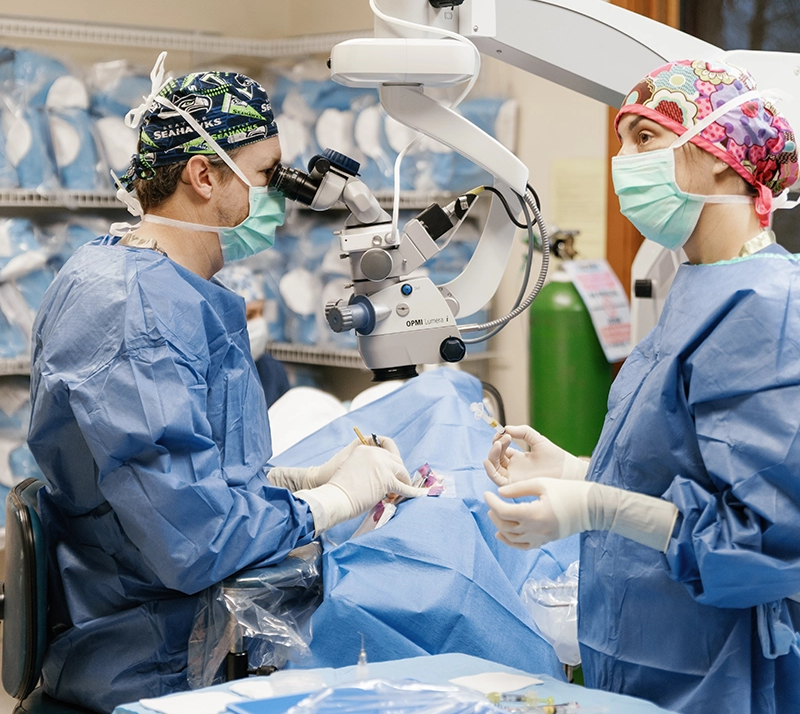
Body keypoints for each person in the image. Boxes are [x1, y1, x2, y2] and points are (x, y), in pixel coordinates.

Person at [27, 55, 423, 713]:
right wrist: (334, 502)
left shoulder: (132, 279)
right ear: (203, 175)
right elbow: (193, 537)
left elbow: (172, 474)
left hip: (161, 634)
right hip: (150, 667)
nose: (277, 196)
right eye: (267, 176)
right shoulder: (137, 313)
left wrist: (301, 480)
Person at [483, 59, 800, 714]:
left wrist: (591, 505)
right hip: (646, 647)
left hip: (716, 670)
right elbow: (683, 465)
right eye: (620, 140)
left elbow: (765, 535)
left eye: (645, 139)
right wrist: (578, 469)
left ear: (721, 157)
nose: (621, 161)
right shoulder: (698, 283)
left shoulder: (766, 306)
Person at [215, 263, 291, 407]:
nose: (259, 322)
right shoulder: (210, 375)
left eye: (261, 312)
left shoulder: (271, 371)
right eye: (249, 315)